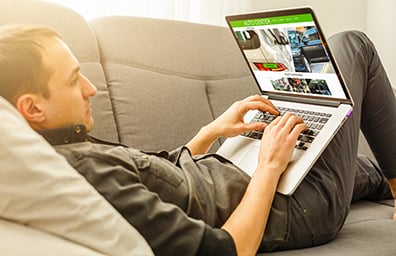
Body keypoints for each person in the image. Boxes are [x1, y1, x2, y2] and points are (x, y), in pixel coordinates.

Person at [0, 24, 395, 255]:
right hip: (295, 209)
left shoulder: (63, 143)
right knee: (352, 45)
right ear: (32, 108)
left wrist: (212, 131)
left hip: (243, 173)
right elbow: (229, 248)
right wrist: (270, 167)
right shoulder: (83, 177)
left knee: (363, 169)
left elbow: (159, 175)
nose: (91, 89)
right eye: (73, 80)